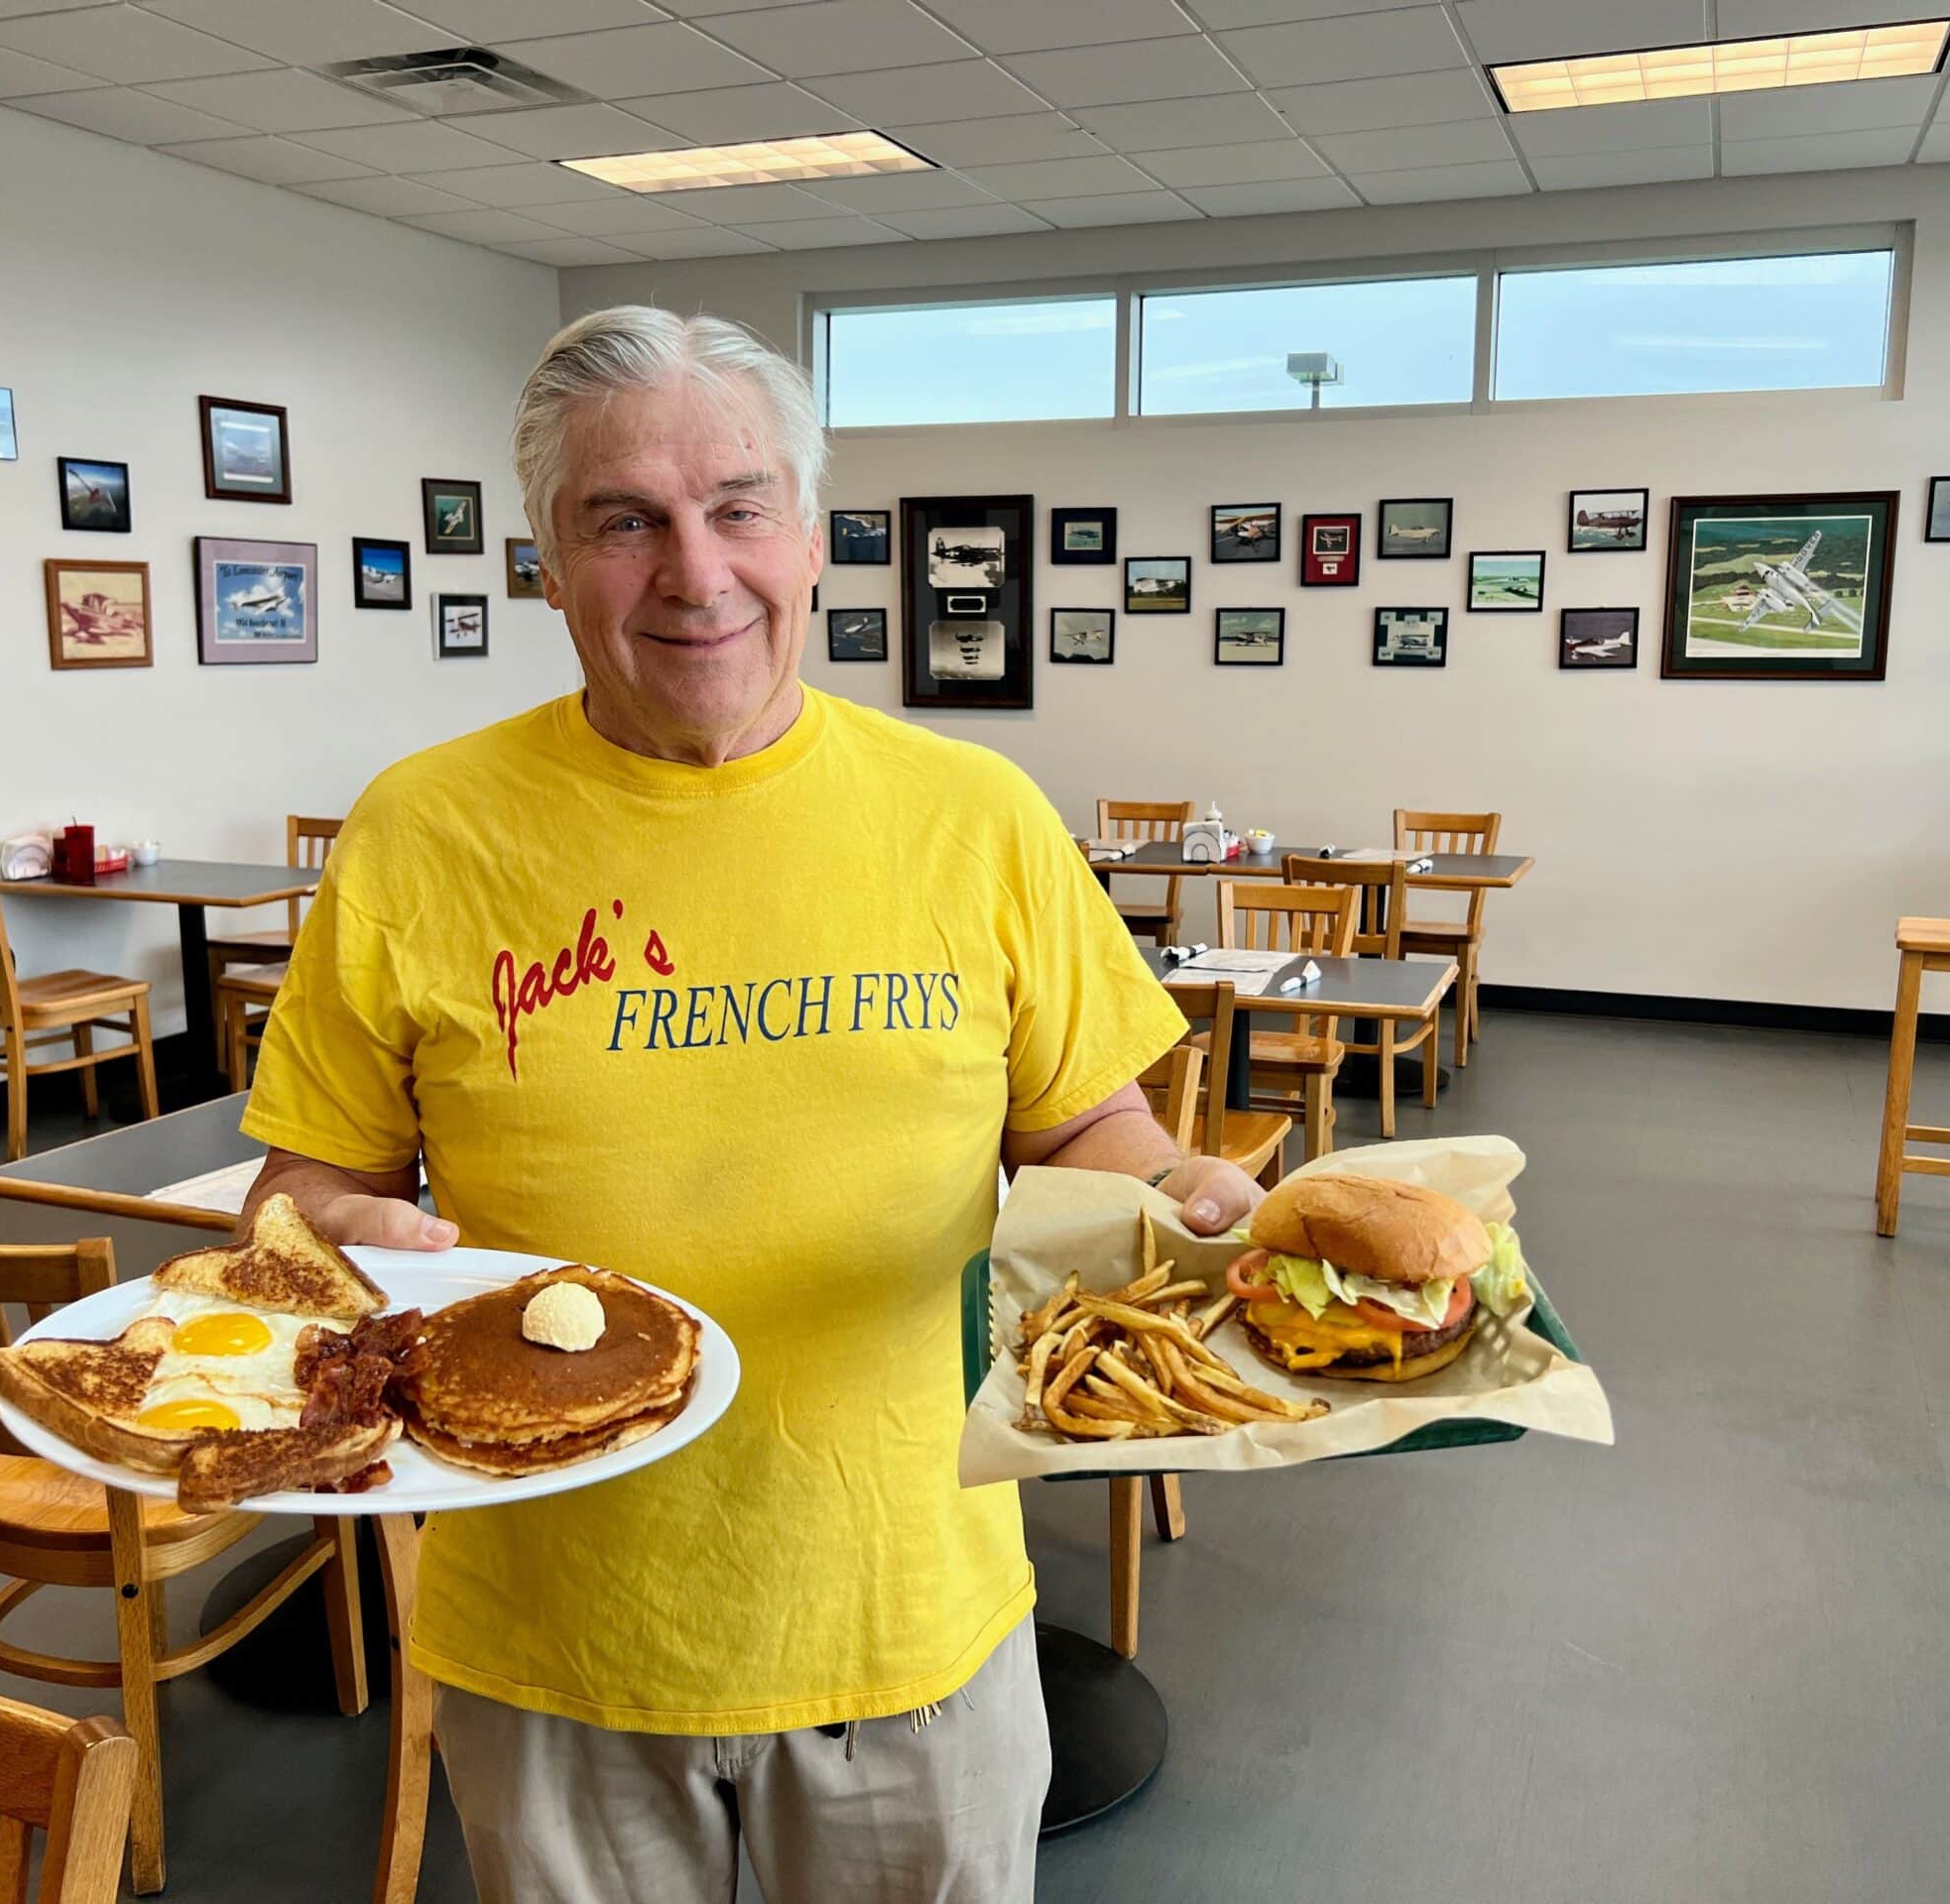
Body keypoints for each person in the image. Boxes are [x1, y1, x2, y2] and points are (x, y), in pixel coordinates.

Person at [235, 305, 1265, 1904]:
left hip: (910, 1618)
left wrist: (1184, 1189)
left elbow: (1083, 1130)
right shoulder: (420, 830)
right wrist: (331, 1237)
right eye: (622, 520)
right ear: (547, 562)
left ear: (811, 533)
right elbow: (297, 1195)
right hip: (553, 1638)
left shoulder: (975, 818)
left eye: (737, 508)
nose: (694, 573)